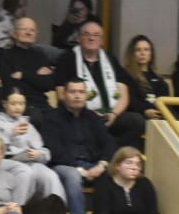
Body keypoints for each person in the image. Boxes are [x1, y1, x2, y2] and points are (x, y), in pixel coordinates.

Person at [55, 19, 143, 149]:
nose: (91, 38)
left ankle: (115, 152)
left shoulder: (110, 60)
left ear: (102, 40)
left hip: (111, 115)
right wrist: (90, 113)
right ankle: (109, 151)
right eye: (87, 34)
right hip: (81, 115)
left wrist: (114, 114)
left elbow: (124, 94)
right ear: (79, 38)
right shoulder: (67, 59)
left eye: (96, 35)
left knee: (136, 121)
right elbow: (61, 94)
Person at [40, 79, 110, 214]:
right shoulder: (51, 118)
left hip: (92, 164)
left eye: (81, 92)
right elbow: (53, 150)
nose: (77, 96)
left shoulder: (93, 117)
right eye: (72, 92)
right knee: (73, 176)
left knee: (113, 173)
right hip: (63, 165)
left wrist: (102, 165)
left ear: (86, 95)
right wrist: (79, 170)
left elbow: (109, 143)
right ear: (64, 94)